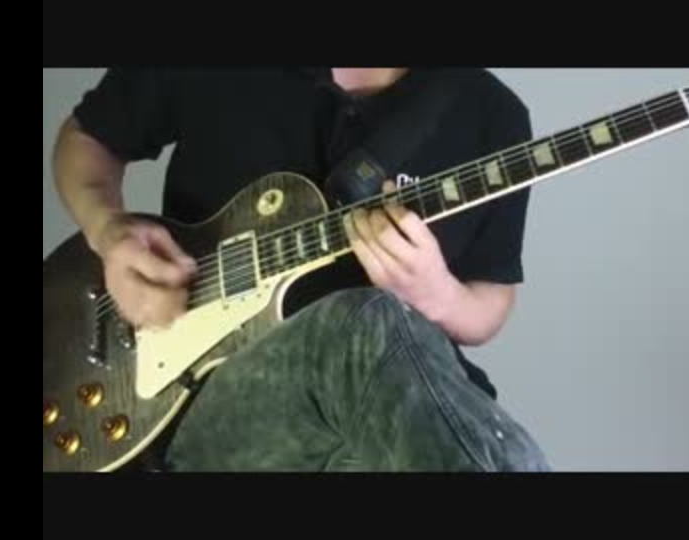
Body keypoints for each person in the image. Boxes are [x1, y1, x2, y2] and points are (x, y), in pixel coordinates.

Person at [52, 67, 550, 471]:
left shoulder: (492, 113)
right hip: (207, 407)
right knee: (360, 321)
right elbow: (88, 138)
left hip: (392, 420)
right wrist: (108, 230)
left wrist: (435, 294)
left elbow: (492, 296)